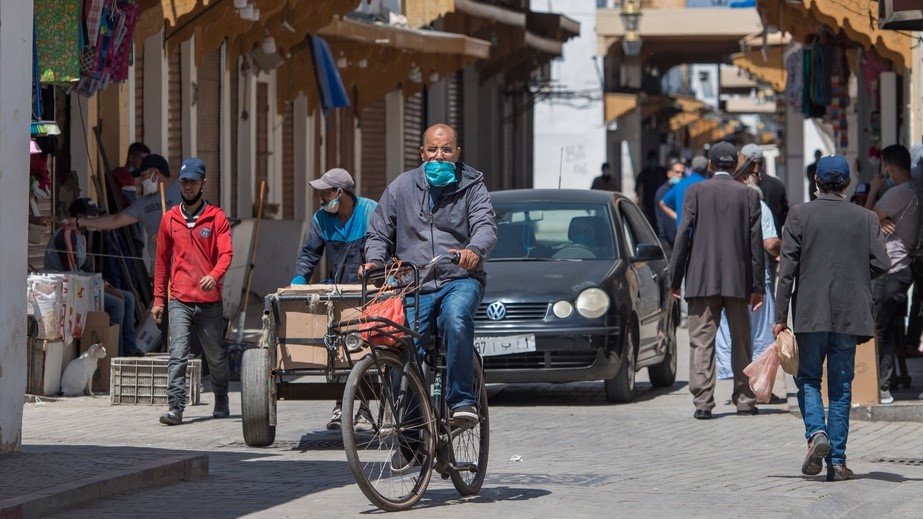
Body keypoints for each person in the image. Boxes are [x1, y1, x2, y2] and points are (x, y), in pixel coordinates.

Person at [361, 123, 497, 425]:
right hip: (414, 283)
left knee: (456, 317)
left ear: (457, 153)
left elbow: (486, 225)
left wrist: (474, 249)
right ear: (422, 152)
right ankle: (409, 432)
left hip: (459, 279)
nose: (439, 156)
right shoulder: (401, 187)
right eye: (433, 149)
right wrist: (374, 260)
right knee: (404, 348)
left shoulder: (472, 185)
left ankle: (461, 401)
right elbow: (379, 231)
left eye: (446, 150)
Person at [773, 155, 889, 482]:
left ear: (817, 182)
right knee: (840, 388)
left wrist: (780, 316)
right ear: (848, 184)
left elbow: (787, 272)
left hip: (810, 312)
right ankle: (837, 462)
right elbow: (882, 263)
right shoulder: (866, 218)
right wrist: (854, 274)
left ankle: (816, 434)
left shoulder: (798, 215)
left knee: (808, 379)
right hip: (850, 312)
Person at [668, 141, 764, 420]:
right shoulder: (748, 195)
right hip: (738, 280)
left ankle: (703, 402)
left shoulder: (695, 191)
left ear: (710, 164)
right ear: (735, 164)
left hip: (701, 278)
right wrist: (757, 286)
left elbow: (683, 236)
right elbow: (755, 244)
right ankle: (745, 399)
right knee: (741, 341)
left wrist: (675, 279)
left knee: (701, 341)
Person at [291, 167, 377, 430]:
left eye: (324, 193)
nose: (320, 198)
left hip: (370, 292)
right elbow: (309, 254)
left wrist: (375, 265)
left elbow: (385, 243)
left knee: (366, 349)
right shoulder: (321, 219)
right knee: (338, 349)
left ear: (340, 192)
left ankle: (364, 409)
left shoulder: (371, 212)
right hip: (339, 291)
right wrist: (298, 281)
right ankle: (341, 407)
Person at [152, 158, 233, 426]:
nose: (187, 187)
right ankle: (175, 406)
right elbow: (162, 262)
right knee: (178, 353)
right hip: (180, 299)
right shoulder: (169, 219)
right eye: (184, 182)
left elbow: (226, 254)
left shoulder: (217, 217)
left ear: (203, 184)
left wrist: (215, 275)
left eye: (193, 182)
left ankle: (221, 397)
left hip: (209, 302)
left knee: (216, 357)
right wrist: (158, 300)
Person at [714, 151, 781, 381]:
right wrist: (783, 252)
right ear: (746, 178)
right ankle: (758, 382)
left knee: (728, 330)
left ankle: (732, 375)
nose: (759, 176)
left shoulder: (721, 204)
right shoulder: (759, 205)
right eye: (755, 173)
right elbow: (770, 242)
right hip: (757, 279)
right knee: (760, 334)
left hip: (726, 280)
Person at [45, 198, 141, 357]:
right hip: (67, 290)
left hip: (81, 284)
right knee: (117, 304)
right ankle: (116, 354)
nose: (96, 221)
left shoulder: (80, 236)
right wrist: (104, 290)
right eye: (92, 217)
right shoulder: (67, 234)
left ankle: (130, 349)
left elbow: (87, 270)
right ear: (80, 217)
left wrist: (107, 286)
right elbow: (72, 273)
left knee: (128, 297)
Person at [863, 144, 919, 404]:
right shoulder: (911, 190)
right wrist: (881, 218)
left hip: (891, 271)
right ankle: (886, 384)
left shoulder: (898, 192)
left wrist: (874, 189)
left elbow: (864, 218)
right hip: (902, 270)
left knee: (878, 329)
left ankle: (880, 387)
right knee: (887, 328)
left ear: (889, 167)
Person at [660, 155, 709, 327]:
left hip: (682, 234)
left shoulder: (681, 184)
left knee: (681, 274)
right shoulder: (707, 185)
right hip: (702, 237)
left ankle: (683, 316)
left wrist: (677, 218)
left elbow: (662, 202)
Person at [742, 144, 789, 234]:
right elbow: (784, 216)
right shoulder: (777, 185)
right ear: (762, 163)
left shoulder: (738, 185)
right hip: (774, 240)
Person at [107, 142, 150, 210]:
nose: (145, 163)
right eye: (142, 159)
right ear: (131, 158)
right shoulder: (125, 176)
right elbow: (132, 207)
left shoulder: (134, 176)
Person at [654, 160, 684, 255]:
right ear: (669, 173)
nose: (680, 175)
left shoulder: (680, 190)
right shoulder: (663, 192)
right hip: (668, 241)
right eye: (677, 172)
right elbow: (667, 221)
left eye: (682, 173)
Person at [635, 150, 666, 225]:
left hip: (661, 199)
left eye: (654, 159)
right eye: (651, 160)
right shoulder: (645, 172)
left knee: (661, 220)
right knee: (651, 221)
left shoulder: (662, 171)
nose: (652, 162)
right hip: (649, 201)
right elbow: (637, 185)